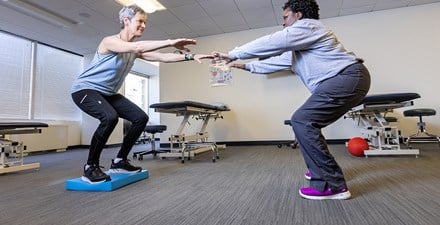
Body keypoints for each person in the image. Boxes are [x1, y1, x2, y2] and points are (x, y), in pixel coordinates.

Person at [213, 0, 370, 200]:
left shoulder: (310, 26)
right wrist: (242, 65)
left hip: (347, 78)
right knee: (306, 123)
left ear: (299, 16)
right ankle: (320, 171)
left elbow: (274, 41)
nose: (284, 23)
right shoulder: (301, 48)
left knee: (302, 120)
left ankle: (332, 185)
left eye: (286, 17)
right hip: (348, 79)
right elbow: (277, 62)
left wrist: (232, 54)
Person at [71, 5, 211, 184]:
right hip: (85, 89)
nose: (144, 25)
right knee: (110, 117)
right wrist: (170, 41)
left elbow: (163, 58)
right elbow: (136, 45)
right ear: (126, 21)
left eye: (145, 22)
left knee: (139, 118)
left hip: (108, 93)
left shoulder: (134, 51)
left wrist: (190, 57)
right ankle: (90, 167)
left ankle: (120, 161)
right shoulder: (109, 42)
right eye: (140, 21)